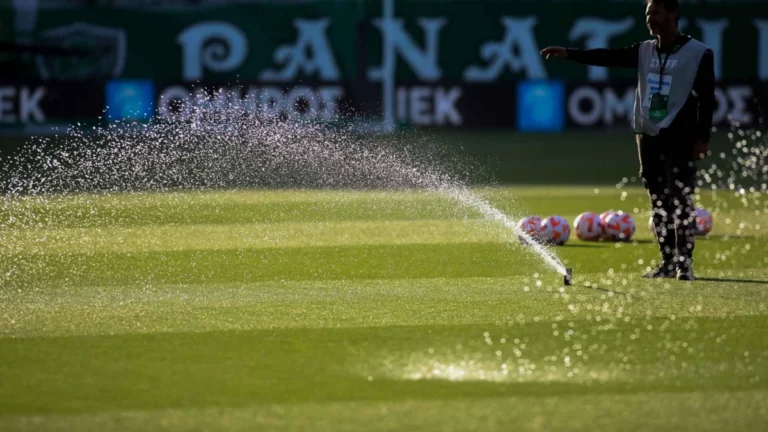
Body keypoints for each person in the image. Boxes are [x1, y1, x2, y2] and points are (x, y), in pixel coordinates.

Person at [540, 0, 715, 281]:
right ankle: (667, 262)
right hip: (647, 134)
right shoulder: (645, 50)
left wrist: (702, 138)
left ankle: (685, 264)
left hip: (680, 134)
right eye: (648, 14)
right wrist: (570, 54)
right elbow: (609, 57)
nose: (650, 18)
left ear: (673, 14)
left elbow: (707, 99)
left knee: (681, 199)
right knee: (658, 199)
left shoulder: (699, 52)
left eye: (656, 13)